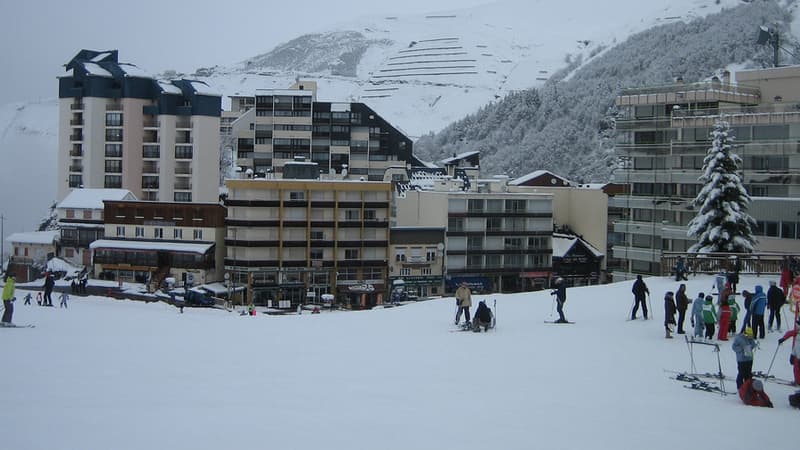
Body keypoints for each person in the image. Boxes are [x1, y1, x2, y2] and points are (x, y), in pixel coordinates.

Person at [778, 318, 800, 386]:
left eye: (798, 324)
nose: (796, 326)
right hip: (796, 354)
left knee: (797, 369)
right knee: (796, 369)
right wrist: (783, 338)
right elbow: (790, 333)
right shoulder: (797, 332)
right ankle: (797, 381)